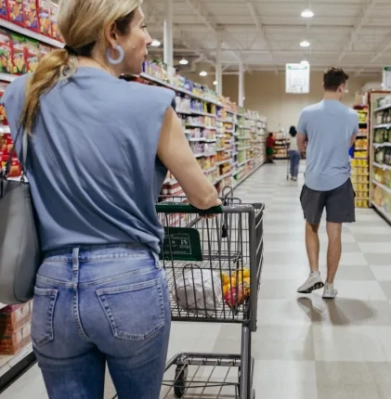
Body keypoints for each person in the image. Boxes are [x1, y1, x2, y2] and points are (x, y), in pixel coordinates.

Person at [1, 1, 221, 397]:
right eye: (142, 26)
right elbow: (203, 194)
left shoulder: (24, 93)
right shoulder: (151, 104)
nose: (149, 38)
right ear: (112, 34)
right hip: (129, 283)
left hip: (52, 287)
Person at [295, 68, 358, 299]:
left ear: (324, 85)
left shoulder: (307, 113)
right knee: (335, 232)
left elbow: (300, 144)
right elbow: (350, 142)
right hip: (340, 180)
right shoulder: (351, 115)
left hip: (313, 179)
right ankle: (330, 286)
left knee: (311, 226)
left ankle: (314, 273)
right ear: (341, 87)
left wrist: (313, 148)